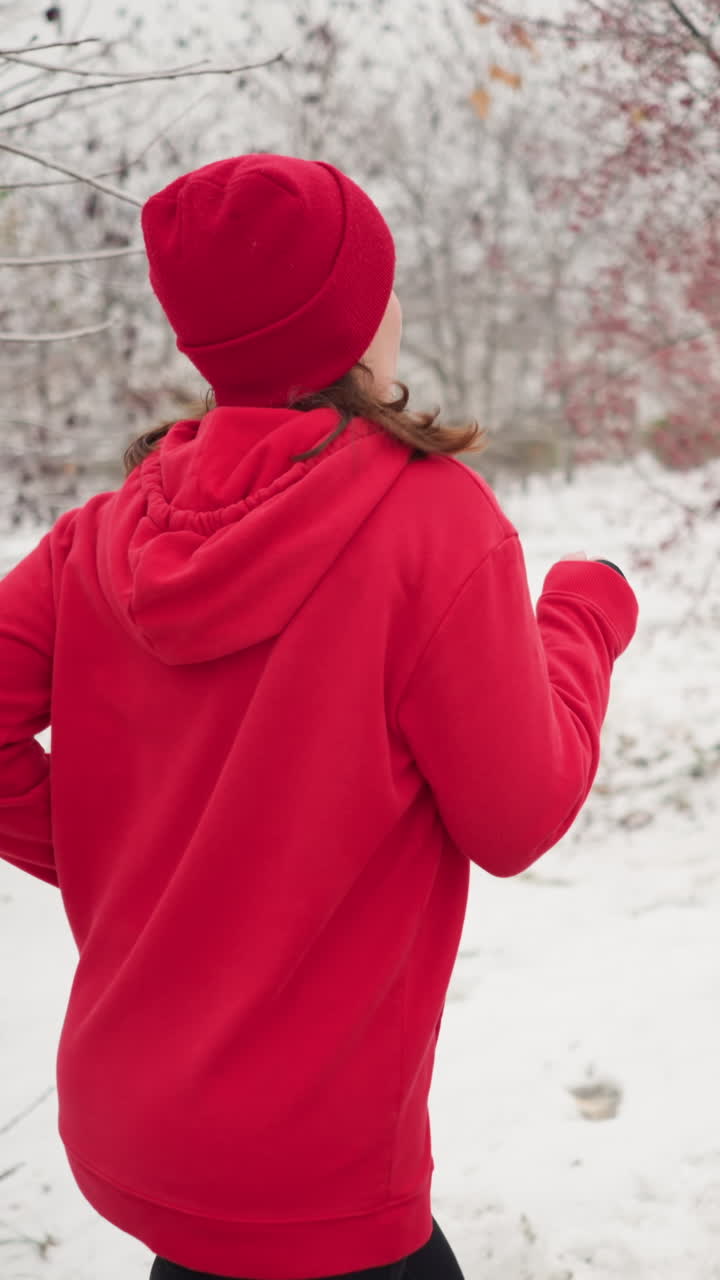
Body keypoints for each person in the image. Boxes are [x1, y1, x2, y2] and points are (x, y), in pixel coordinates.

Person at [0, 154, 638, 1280]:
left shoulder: (96, 539)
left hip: (140, 1133)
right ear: (348, 325)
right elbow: (520, 811)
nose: (395, 307)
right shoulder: (429, 524)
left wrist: (132, 862)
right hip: (320, 1177)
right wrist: (580, 618)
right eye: (378, 285)